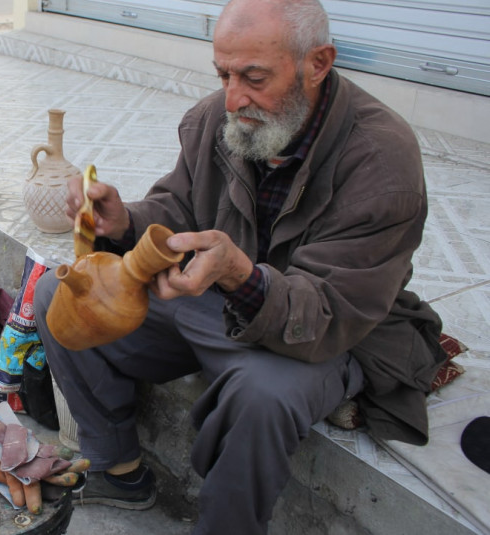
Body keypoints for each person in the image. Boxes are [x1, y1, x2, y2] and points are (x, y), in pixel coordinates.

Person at [33, 0, 448, 533]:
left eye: (254, 77)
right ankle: (119, 470)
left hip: (325, 331)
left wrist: (239, 275)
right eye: (223, 74)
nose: (233, 98)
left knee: (262, 396)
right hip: (226, 304)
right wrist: (125, 223)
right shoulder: (218, 117)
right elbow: (181, 207)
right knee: (56, 296)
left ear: (317, 63)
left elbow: (328, 311)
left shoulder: (382, 162)